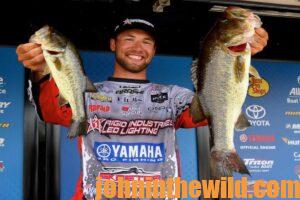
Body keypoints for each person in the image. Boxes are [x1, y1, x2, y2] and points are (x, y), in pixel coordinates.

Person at [16, 18, 268, 200]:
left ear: (154, 50)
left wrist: (236, 56)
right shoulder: (86, 93)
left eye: (147, 42)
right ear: (113, 44)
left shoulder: (173, 96)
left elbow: (211, 110)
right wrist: (40, 70)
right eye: (129, 39)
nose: (138, 48)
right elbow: (50, 111)